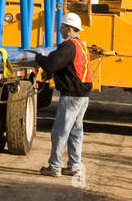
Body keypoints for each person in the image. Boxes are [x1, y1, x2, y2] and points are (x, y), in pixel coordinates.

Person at [36, 12, 93, 185]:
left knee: (60, 131)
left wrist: (38, 57)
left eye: (61, 27)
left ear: (69, 28)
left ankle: (55, 166)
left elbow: (52, 64)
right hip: (82, 96)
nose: (59, 29)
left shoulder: (68, 46)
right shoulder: (81, 45)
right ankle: (75, 165)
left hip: (71, 96)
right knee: (76, 132)